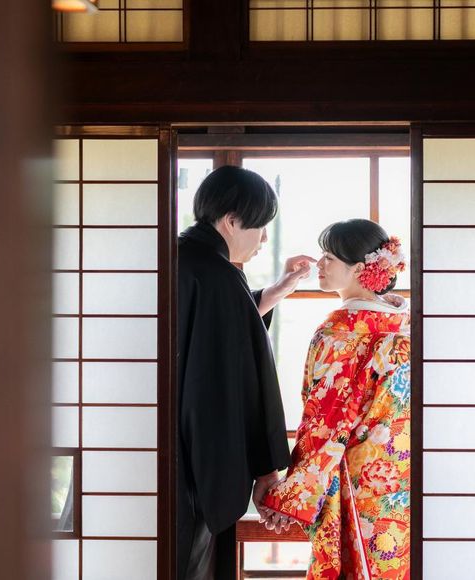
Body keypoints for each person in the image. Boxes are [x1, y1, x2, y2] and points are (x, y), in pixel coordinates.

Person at [177, 165, 314, 580]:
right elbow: (246, 378)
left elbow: (216, 335)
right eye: (260, 226)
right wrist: (266, 467)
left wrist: (275, 291)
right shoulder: (219, 276)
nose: (264, 239)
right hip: (191, 464)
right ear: (232, 221)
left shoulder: (175, 259)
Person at [261, 219, 410, 580]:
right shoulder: (404, 323)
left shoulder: (340, 332)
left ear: (359, 269)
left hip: (354, 475)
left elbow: (326, 420)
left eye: (329, 257)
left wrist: (290, 494)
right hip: (402, 473)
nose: (320, 264)